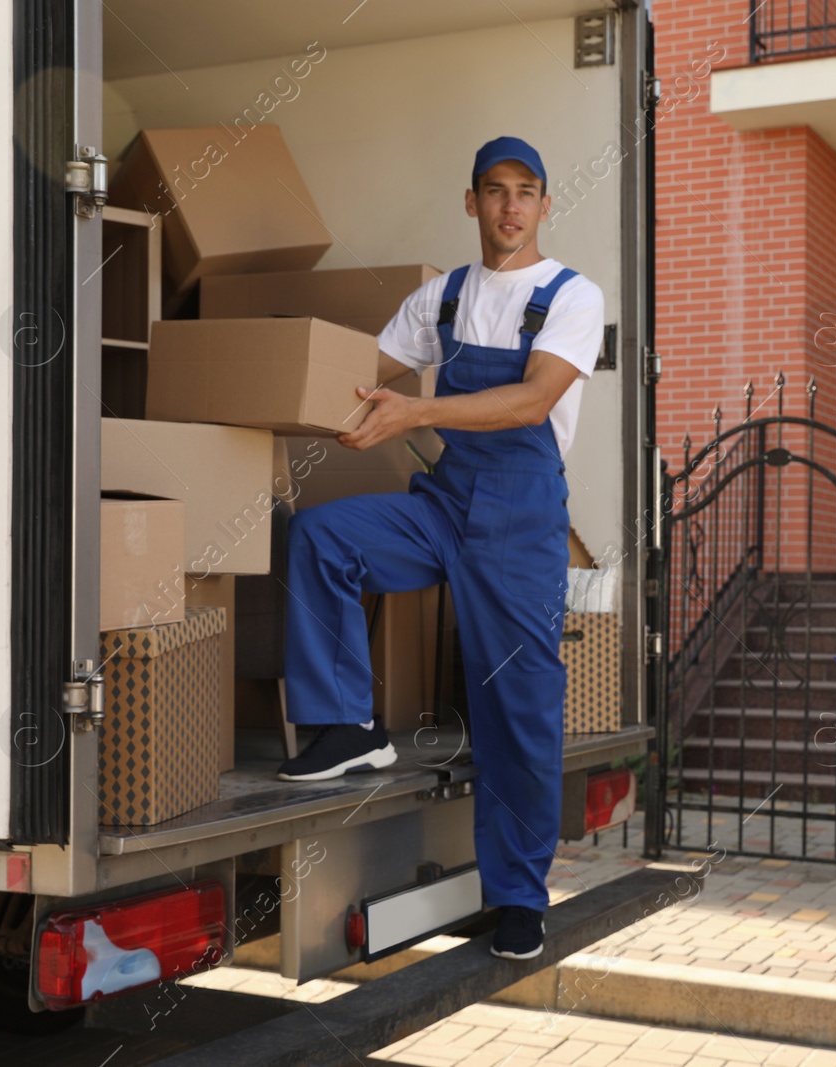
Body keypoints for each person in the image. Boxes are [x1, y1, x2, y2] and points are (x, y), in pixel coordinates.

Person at [276, 136, 605, 960]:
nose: (509, 207)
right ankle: (347, 724)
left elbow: (533, 402)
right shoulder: (442, 299)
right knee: (323, 535)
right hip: (447, 505)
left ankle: (521, 899)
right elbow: (365, 371)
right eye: (494, 191)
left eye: (525, 192)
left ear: (544, 205)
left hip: (522, 526)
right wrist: (296, 386)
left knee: (518, 713)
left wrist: (413, 414)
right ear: (471, 202)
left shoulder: (572, 296)